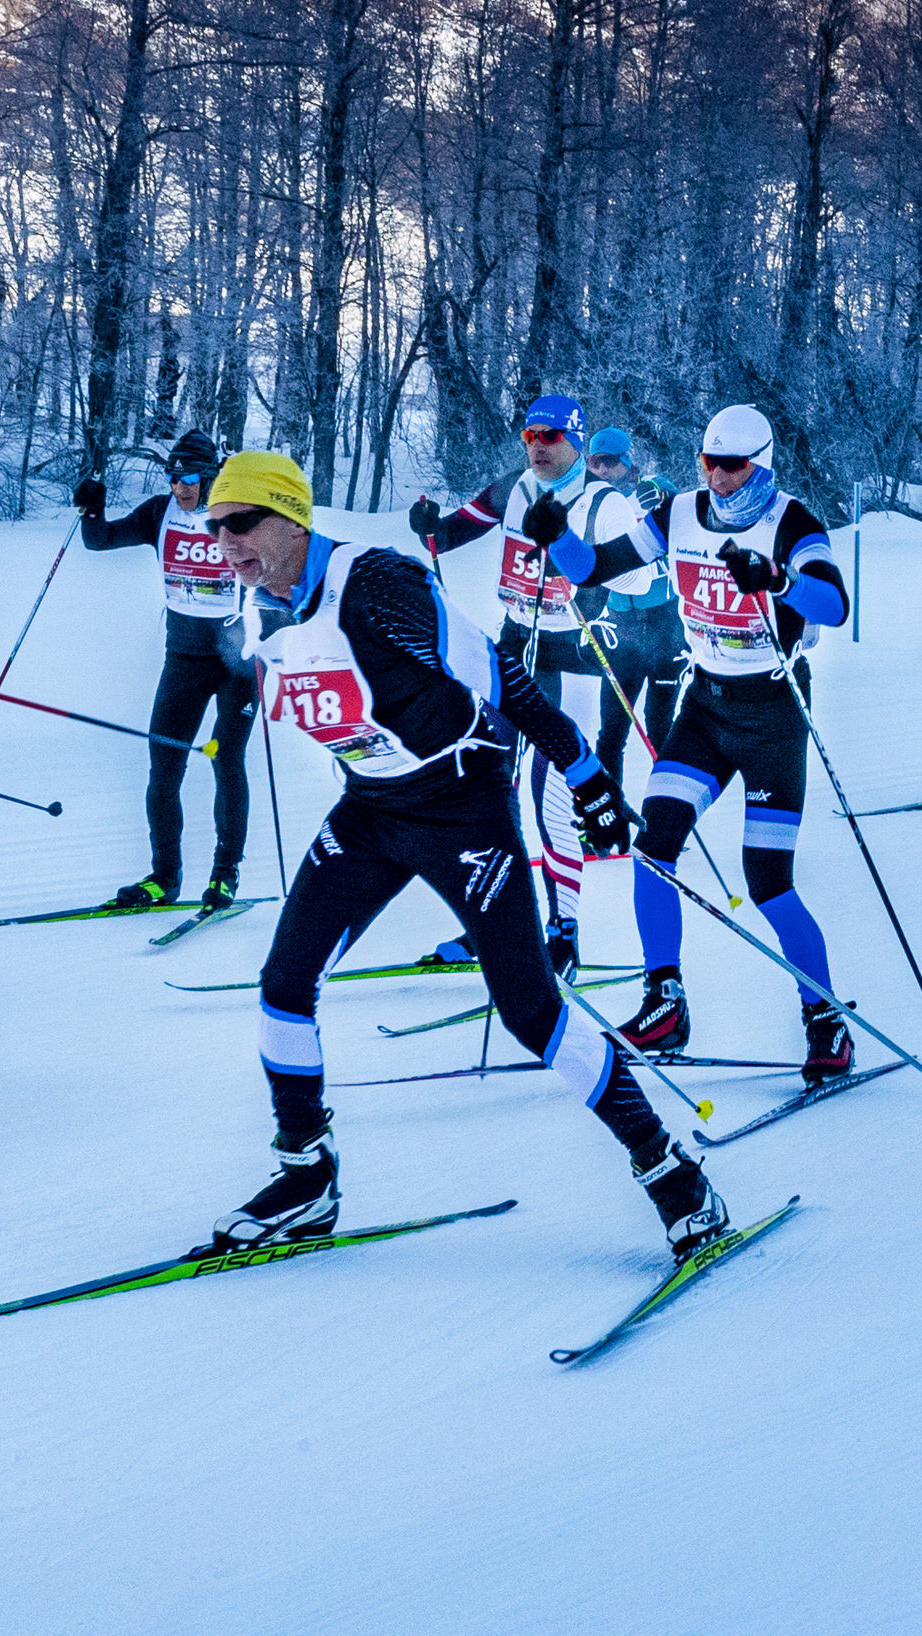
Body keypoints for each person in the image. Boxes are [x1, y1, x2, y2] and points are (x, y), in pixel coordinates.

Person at [205, 450, 722, 1259]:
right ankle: (305, 1176)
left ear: (290, 517)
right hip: (372, 809)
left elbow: (505, 678)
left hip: (462, 805)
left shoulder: (376, 585)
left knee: (530, 1010)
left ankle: (671, 1173)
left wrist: (583, 773)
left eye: (241, 523)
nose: (226, 545)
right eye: (214, 529)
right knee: (283, 984)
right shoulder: (256, 610)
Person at [609, 407, 857, 1080]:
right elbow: (599, 564)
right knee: (653, 843)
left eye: (732, 465)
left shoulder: (794, 523)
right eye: (707, 462)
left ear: (763, 465)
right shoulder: (680, 514)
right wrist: (553, 542)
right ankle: (664, 1001)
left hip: (774, 714)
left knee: (768, 882)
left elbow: (835, 604)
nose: (716, 477)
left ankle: (826, 1018)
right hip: (707, 707)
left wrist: (778, 581)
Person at [410, 394, 664, 963]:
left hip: (572, 649)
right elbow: (454, 532)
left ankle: (562, 934)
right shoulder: (516, 486)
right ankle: (492, 924)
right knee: (486, 786)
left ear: (576, 439)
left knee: (548, 794)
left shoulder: (603, 503)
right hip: (513, 644)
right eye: (528, 436)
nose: (537, 447)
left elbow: (645, 583)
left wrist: (575, 558)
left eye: (549, 437)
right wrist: (431, 528)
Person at [71, 428, 255, 912]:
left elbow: (281, 565)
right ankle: (164, 877)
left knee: (225, 758)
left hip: (238, 661)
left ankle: (224, 875)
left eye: (190, 478)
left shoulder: (237, 515)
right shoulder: (160, 513)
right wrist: (93, 508)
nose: (181, 488)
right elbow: (100, 541)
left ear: (211, 475)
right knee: (164, 767)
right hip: (185, 657)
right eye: (174, 478)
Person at [581, 425, 682, 790]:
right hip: (621, 627)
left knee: (661, 727)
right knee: (611, 731)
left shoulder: (656, 489)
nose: (602, 470)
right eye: (595, 462)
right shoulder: (590, 503)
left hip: (664, 625)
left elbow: (694, 530)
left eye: (609, 462)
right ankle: (608, 827)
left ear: (627, 461)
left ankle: (666, 817)